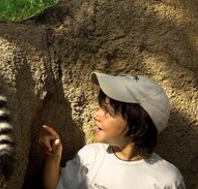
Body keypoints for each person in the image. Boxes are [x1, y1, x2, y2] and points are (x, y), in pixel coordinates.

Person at [39, 72, 185, 189]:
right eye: (100, 107)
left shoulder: (167, 179)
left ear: (137, 125)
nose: (95, 115)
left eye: (108, 111)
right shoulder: (90, 156)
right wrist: (54, 158)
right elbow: (56, 186)